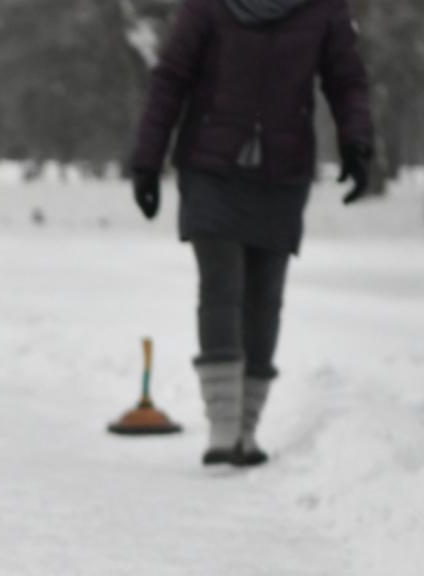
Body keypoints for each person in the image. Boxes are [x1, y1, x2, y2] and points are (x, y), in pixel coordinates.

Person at [130, 0, 373, 467]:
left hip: (282, 172)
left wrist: (357, 142)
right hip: (211, 165)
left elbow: (346, 79)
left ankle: (246, 429)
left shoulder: (324, 9)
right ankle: (223, 427)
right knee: (222, 284)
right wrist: (147, 159)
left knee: (264, 297)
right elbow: (171, 77)